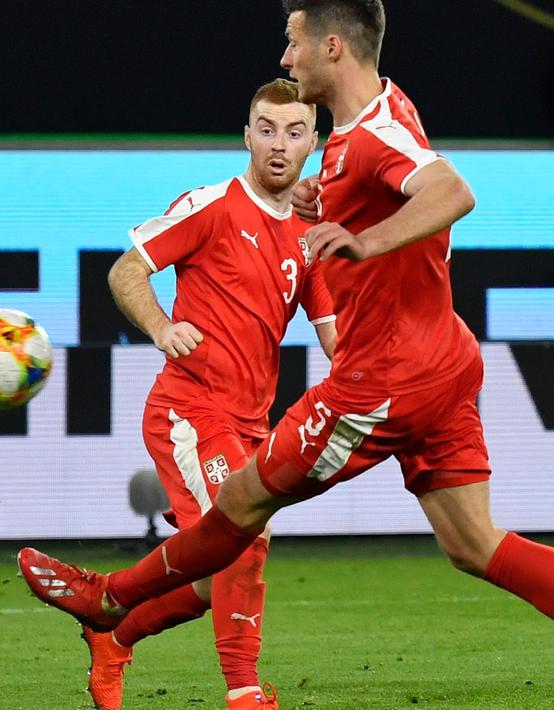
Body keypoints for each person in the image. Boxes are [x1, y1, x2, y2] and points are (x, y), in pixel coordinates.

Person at [17, 2, 554, 709]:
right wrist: (334, 207)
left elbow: (452, 191)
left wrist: (365, 240)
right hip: (445, 362)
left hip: (385, 378)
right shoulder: (372, 121)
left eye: (294, 43)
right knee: (474, 543)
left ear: (332, 46)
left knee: (241, 505)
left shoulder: (371, 135)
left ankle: (109, 602)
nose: (287, 59)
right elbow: (385, 192)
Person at [86, 78, 337, 710]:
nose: (278, 144)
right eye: (267, 129)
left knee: (209, 581)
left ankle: (114, 632)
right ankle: (243, 691)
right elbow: (126, 270)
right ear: (247, 136)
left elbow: (337, 338)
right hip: (190, 410)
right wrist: (161, 327)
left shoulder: (308, 238)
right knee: (243, 541)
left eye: (294, 132)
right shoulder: (212, 206)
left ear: (311, 144)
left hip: (251, 425)